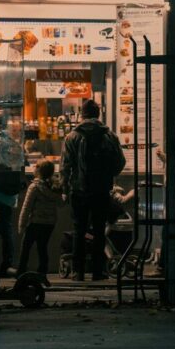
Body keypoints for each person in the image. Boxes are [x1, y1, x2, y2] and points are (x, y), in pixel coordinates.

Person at [61, 99, 126, 282]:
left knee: (79, 230)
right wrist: (108, 176)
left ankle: (78, 272)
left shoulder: (72, 136)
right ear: (98, 114)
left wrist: (65, 187)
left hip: (79, 190)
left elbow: (65, 166)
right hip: (101, 190)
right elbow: (120, 162)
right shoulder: (109, 136)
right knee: (99, 230)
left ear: (82, 114)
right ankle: (99, 272)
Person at [16, 160, 63, 276]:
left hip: (35, 222)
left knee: (26, 247)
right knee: (42, 247)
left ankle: (21, 271)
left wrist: (21, 225)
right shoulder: (54, 188)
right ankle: (42, 272)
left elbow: (26, 207)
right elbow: (61, 203)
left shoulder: (34, 187)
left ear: (38, 170)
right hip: (49, 223)